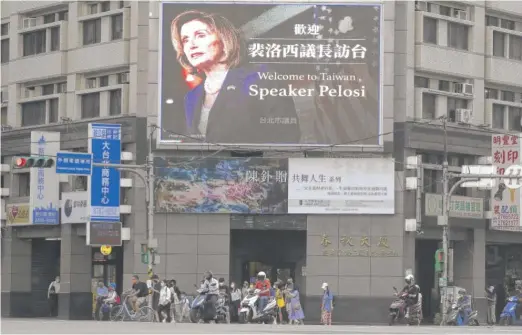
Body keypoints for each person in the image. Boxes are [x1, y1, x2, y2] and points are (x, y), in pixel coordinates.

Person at [170, 10, 301, 144]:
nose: (191, 45)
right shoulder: (191, 97)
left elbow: (287, 137)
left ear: (224, 39)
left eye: (200, 35)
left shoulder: (260, 78)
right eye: (185, 40)